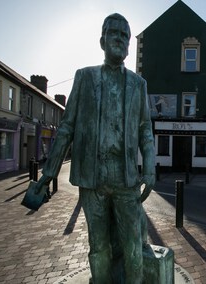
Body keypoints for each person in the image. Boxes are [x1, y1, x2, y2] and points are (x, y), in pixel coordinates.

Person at [35, 13, 155, 283]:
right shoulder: (84, 77)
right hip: (93, 178)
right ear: (102, 40)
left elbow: (145, 130)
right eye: (114, 33)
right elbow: (66, 127)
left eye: (125, 35)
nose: (120, 39)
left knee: (133, 245)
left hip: (126, 179)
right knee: (98, 246)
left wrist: (149, 168)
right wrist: (48, 173)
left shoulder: (138, 84)